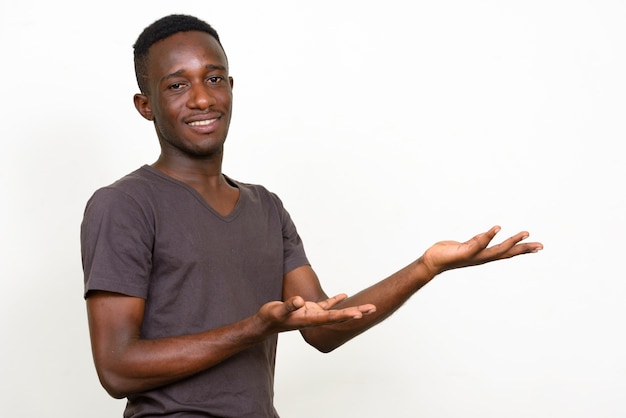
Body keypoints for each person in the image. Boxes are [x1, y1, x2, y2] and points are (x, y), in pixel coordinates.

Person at [80, 13, 543, 418]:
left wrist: (427, 267)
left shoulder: (267, 207)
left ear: (231, 88)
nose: (202, 99)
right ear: (146, 106)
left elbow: (326, 327)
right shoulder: (124, 205)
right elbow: (117, 368)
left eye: (214, 78)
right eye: (177, 85)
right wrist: (253, 328)